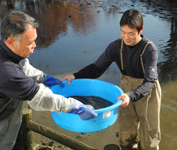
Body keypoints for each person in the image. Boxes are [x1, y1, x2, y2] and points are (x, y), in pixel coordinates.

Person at [62, 9, 161, 150]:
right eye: (123, 32)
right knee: (126, 131)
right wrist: (75, 76)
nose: (126, 37)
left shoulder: (149, 49)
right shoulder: (116, 47)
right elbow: (96, 69)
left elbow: (150, 81)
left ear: (141, 30)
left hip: (147, 91)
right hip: (124, 90)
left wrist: (130, 95)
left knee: (149, 134)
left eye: (131, 33)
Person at [0, 10, 97, 150]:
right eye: (31, 42)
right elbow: (41, 98)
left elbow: (24, 67)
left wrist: (45, 78)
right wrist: (75, 106)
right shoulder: (8, 73)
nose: (35, 45)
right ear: (11, 41)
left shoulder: (7, 49)